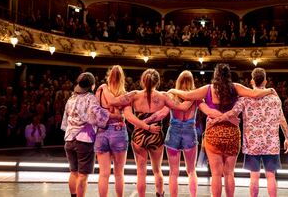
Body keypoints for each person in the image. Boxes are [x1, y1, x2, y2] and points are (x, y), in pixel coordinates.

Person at [169, 63, 276, 197]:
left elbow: (187, 95)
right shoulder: (236, 87)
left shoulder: (208, 89)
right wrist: (269, 90)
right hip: (232, 134)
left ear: (215, 75)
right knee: (229, 173)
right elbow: (254, 94)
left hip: (214, 133)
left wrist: (173, 90)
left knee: (216, 174)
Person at [100, 69, 192, 197]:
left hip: (139, 135)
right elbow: (183, 107)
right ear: (158, 82)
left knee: (141, 172)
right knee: (157, 170)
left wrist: (104, 88)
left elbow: (115, 104)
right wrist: (180, 91)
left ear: (142, 80)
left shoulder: (134, 95)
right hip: (156, 135)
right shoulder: (164, 96)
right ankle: (160, 194)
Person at [144, 71, 223, 197]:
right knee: (191, 170)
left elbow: (161, 114)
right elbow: (209, 111)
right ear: (192, 82)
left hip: (173, 132)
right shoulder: (196, 97)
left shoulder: (171, 95)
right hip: (189, 132)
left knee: (173, 172)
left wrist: (144, 122)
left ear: (178, 81)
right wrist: (227, 115)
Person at [214, 67, 288, 197]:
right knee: (271, 175)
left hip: (252, 144)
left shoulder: (245, 99)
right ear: (265, 81)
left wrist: (218, 118)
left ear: (252, 81)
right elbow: (282, 119)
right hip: (271, 143)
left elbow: (233, 113)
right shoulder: (275, 99)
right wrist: (287, 138)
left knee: (254, 176)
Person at [61, 72, 122, 197]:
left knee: (73, 172)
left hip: (68, 139)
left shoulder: (70, 99)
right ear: (92, 85)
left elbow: (65, 121)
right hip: (84, 140)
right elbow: (98, 114)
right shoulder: (90, 98)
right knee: (82, 175)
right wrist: (116, 116)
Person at [93, 66, 130, 197]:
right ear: (122, 78)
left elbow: (95, 112)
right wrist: (116, 115)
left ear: (109, 76)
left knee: (103, 174)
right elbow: (125, 116)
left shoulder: (101, 91)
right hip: (118, 130)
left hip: (102, 132)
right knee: (119, 173)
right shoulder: (125, 94)